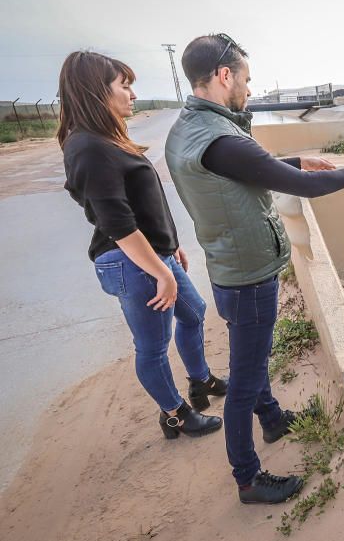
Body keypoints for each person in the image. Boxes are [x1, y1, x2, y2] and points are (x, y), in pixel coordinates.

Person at [165, 33, 344, 504]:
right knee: (244, 380)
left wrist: (297, 158)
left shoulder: (189, 127)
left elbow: (243, 168)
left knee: (253, 357)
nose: (249, 86)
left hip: (227, 267)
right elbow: (298, 186)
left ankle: (273, 420)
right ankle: (248, 479)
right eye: (245, 77)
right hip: (248, 276)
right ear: (224, 76)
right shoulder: (222, 136)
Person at [59, 51, 227, 440]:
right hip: (132, 263)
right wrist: (159, 270)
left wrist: (172, 246)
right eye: (124, 85)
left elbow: (145, 204)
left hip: (152, 256)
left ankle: (200, 381)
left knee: (194, 312)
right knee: (152, 345)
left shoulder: (107, 140)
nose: (132, 94)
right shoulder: (87, 147)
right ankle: (176, 415)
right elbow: (117, 224)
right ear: (96, 91)